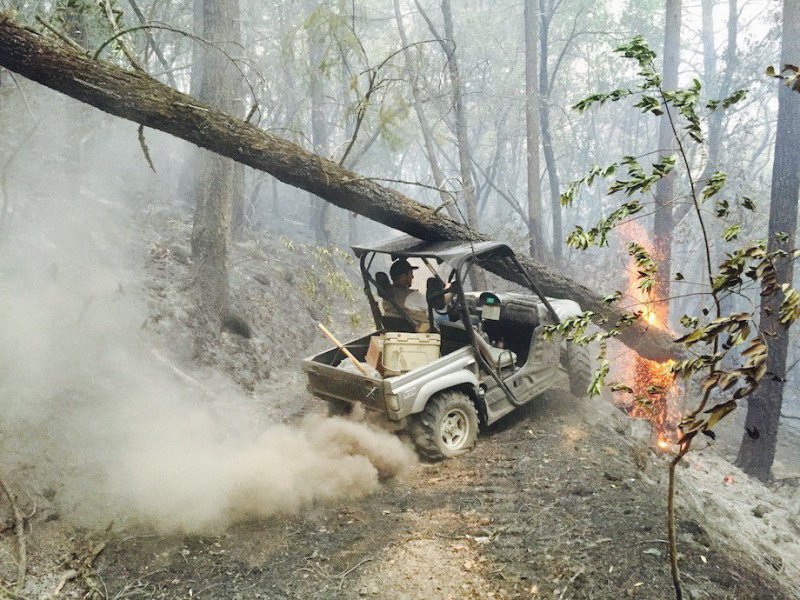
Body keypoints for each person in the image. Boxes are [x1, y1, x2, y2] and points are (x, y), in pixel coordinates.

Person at [383, 258, 431, 332]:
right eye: (411, 274)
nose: (413, 277)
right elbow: (435, 303)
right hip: (421, 335)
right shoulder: (413, 296)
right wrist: (450, 289)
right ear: (404, 276)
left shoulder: (387, 297)